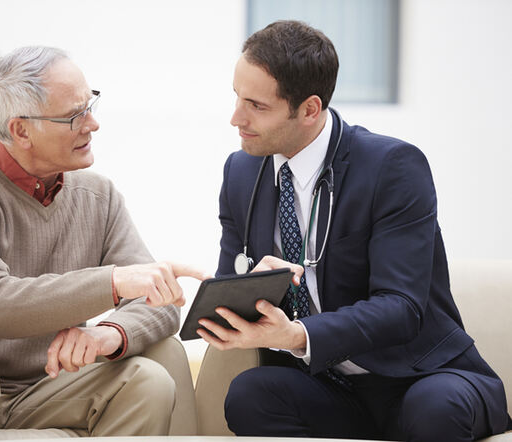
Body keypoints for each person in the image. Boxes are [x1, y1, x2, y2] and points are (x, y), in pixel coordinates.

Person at [0, 46, 208, 442]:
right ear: (21, 130)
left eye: (90, 104)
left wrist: (108, 333)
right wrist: (112, 283)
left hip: (38, 388)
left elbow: (157, 303)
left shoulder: (99, 197)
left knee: (147, 381)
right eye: (74, 115)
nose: (92, 124)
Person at [197, 20, 511, 441]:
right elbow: (230, 289)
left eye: (257, 105)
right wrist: (244, 292)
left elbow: (401, 307)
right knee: (250, 396)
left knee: (435, 409)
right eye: (237, 97)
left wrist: (298, 334)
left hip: (417, 376)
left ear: (309, 109)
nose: (236, 117)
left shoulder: (392, 167)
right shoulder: (241, 172)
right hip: (328, 388)